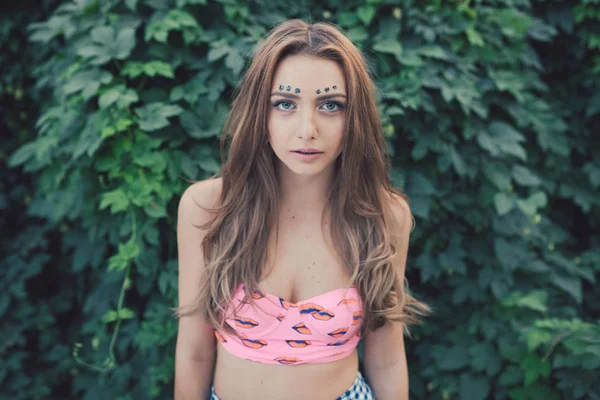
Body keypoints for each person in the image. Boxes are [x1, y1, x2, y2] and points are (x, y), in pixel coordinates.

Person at [173, 18, 431, 400]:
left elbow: (387, 356)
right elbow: (194, 352)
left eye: (330, 105)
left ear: (354, 117)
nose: (307, 128)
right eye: (285, 104)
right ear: (261, 113)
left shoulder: (384, 216)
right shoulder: (208, 208)